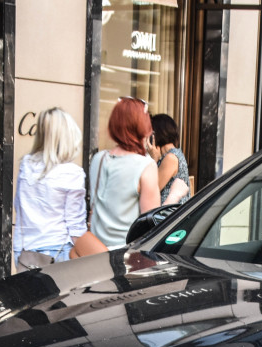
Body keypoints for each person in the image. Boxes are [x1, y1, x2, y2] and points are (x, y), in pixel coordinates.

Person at [12, 108, 87, 265]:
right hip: (58, 249)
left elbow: (18, 206)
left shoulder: (26, 165)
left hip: (25, 251)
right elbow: (76, 228)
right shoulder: (73, 172)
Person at [86, 97, 160, 250]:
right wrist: (175, 194)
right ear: (142, 127)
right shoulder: (145, 165)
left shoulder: (98, 159)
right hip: (126, 256)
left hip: (95, 252)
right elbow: (150, 226)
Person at [148, 114, 190, 205]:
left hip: (169, 215)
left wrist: (153, 160)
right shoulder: (172, 154)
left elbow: (152, 189)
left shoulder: (170, 157)